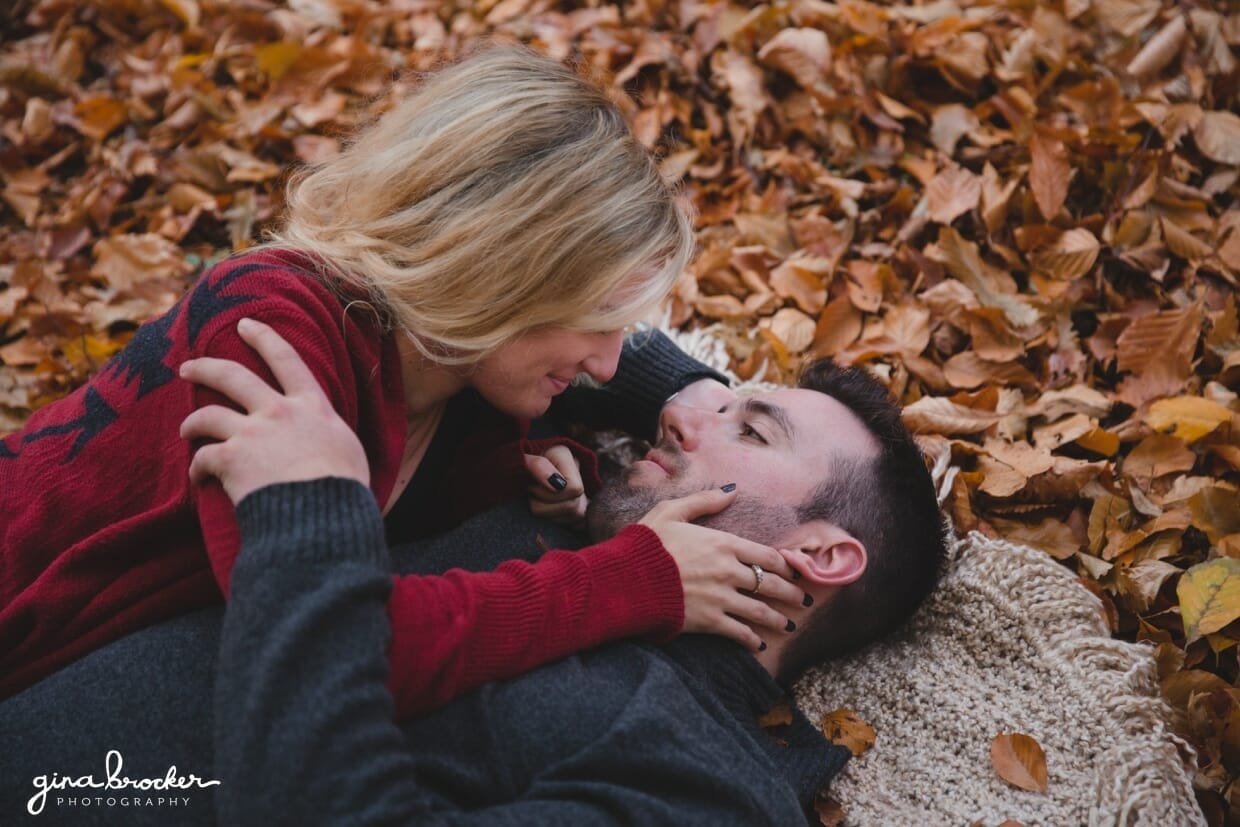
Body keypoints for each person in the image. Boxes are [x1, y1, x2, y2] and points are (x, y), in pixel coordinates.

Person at [0, 46, 802, 713]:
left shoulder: (463, 381)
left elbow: (605, 373)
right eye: (596, 319)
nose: (604, 360)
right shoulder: (269, 329)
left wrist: (672, 393)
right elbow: (334, 652)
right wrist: (636, 579)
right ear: (496, 268)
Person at [0, 356, 946, 825]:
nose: (684, 412)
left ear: (822, 555)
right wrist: (685, 374)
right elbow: (527, 321)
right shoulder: (556, 506)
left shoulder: (702, 778)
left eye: (754, 428)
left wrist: (306, 523)